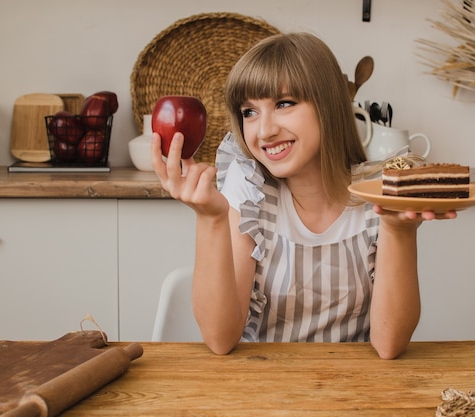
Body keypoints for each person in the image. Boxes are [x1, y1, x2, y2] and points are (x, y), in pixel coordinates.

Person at [151, 32, 456, 360]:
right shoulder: (252, 195)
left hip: (357, 387)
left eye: (284, 104)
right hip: (263, 385)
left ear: (328, 106)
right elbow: (219, 339)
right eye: (249, 111)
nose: (265, 130)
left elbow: (389, 344)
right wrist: (211, 219)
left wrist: (399, 230)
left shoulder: (377, 197)